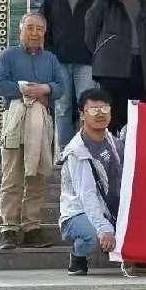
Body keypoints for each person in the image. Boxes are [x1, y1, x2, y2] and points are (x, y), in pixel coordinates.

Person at [0, 12, 64, 250]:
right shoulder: (8, 55)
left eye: (39, 29)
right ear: (20, 30)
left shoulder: (51, 59)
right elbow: (0, 85)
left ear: (45, 33)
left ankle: (32, 227)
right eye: (30, 28)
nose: (34, 33)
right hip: (14, 121)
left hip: (41, 123)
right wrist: (25, 90)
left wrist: (45, 88)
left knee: (37, 176)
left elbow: (61, 87)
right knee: (12, 176)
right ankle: (9, 228)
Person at [85, 0, 146, 133]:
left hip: (140, 66)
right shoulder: (105, 1)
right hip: (112, 66)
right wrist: (104, 51)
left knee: (135, 116)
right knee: (111, 115)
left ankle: (131, 150)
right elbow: (90, 32)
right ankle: (111, 149)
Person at [59, 88, 123, 275]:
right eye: (94, 110)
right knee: (92, 236)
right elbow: (87, 195)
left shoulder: (113, 141)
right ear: (82, 115)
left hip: (110, 209)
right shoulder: (77, 151)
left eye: (104, 109)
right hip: (78, 212)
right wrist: (104, 229)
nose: (100, 114)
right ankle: (78, 255)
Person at [41, 0, 96, 148]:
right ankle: (65, 151)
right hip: (59, 61)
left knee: (86, 106)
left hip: (86, 62)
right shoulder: (51, 0)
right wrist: (48, 53)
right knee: (62, 107)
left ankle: (84, 149)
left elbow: (100, 30)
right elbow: (42, 28)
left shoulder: (92, 2)